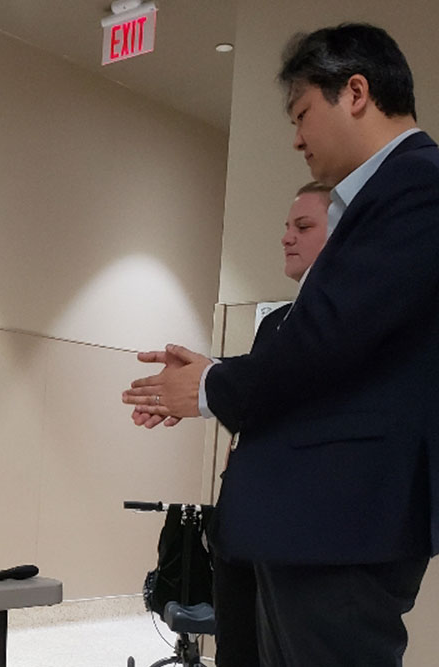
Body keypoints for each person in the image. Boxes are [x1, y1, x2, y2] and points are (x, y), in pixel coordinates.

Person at [122, 23, 438, 666]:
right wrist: (215, 372)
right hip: (317, 520)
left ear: (355, 92)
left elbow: (328, 342)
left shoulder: (416, 183)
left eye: (302, 113)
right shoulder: (391, 193)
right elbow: (342, 352)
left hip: (341, 521)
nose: (296, 137)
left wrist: (210, 387)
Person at [211, 181, 329, 667]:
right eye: (286, 226)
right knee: (237, 651)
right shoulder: (275, 323)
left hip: (303, 528)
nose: (286, 237)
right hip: (242, 523)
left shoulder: (343, 322)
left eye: (303, 227)